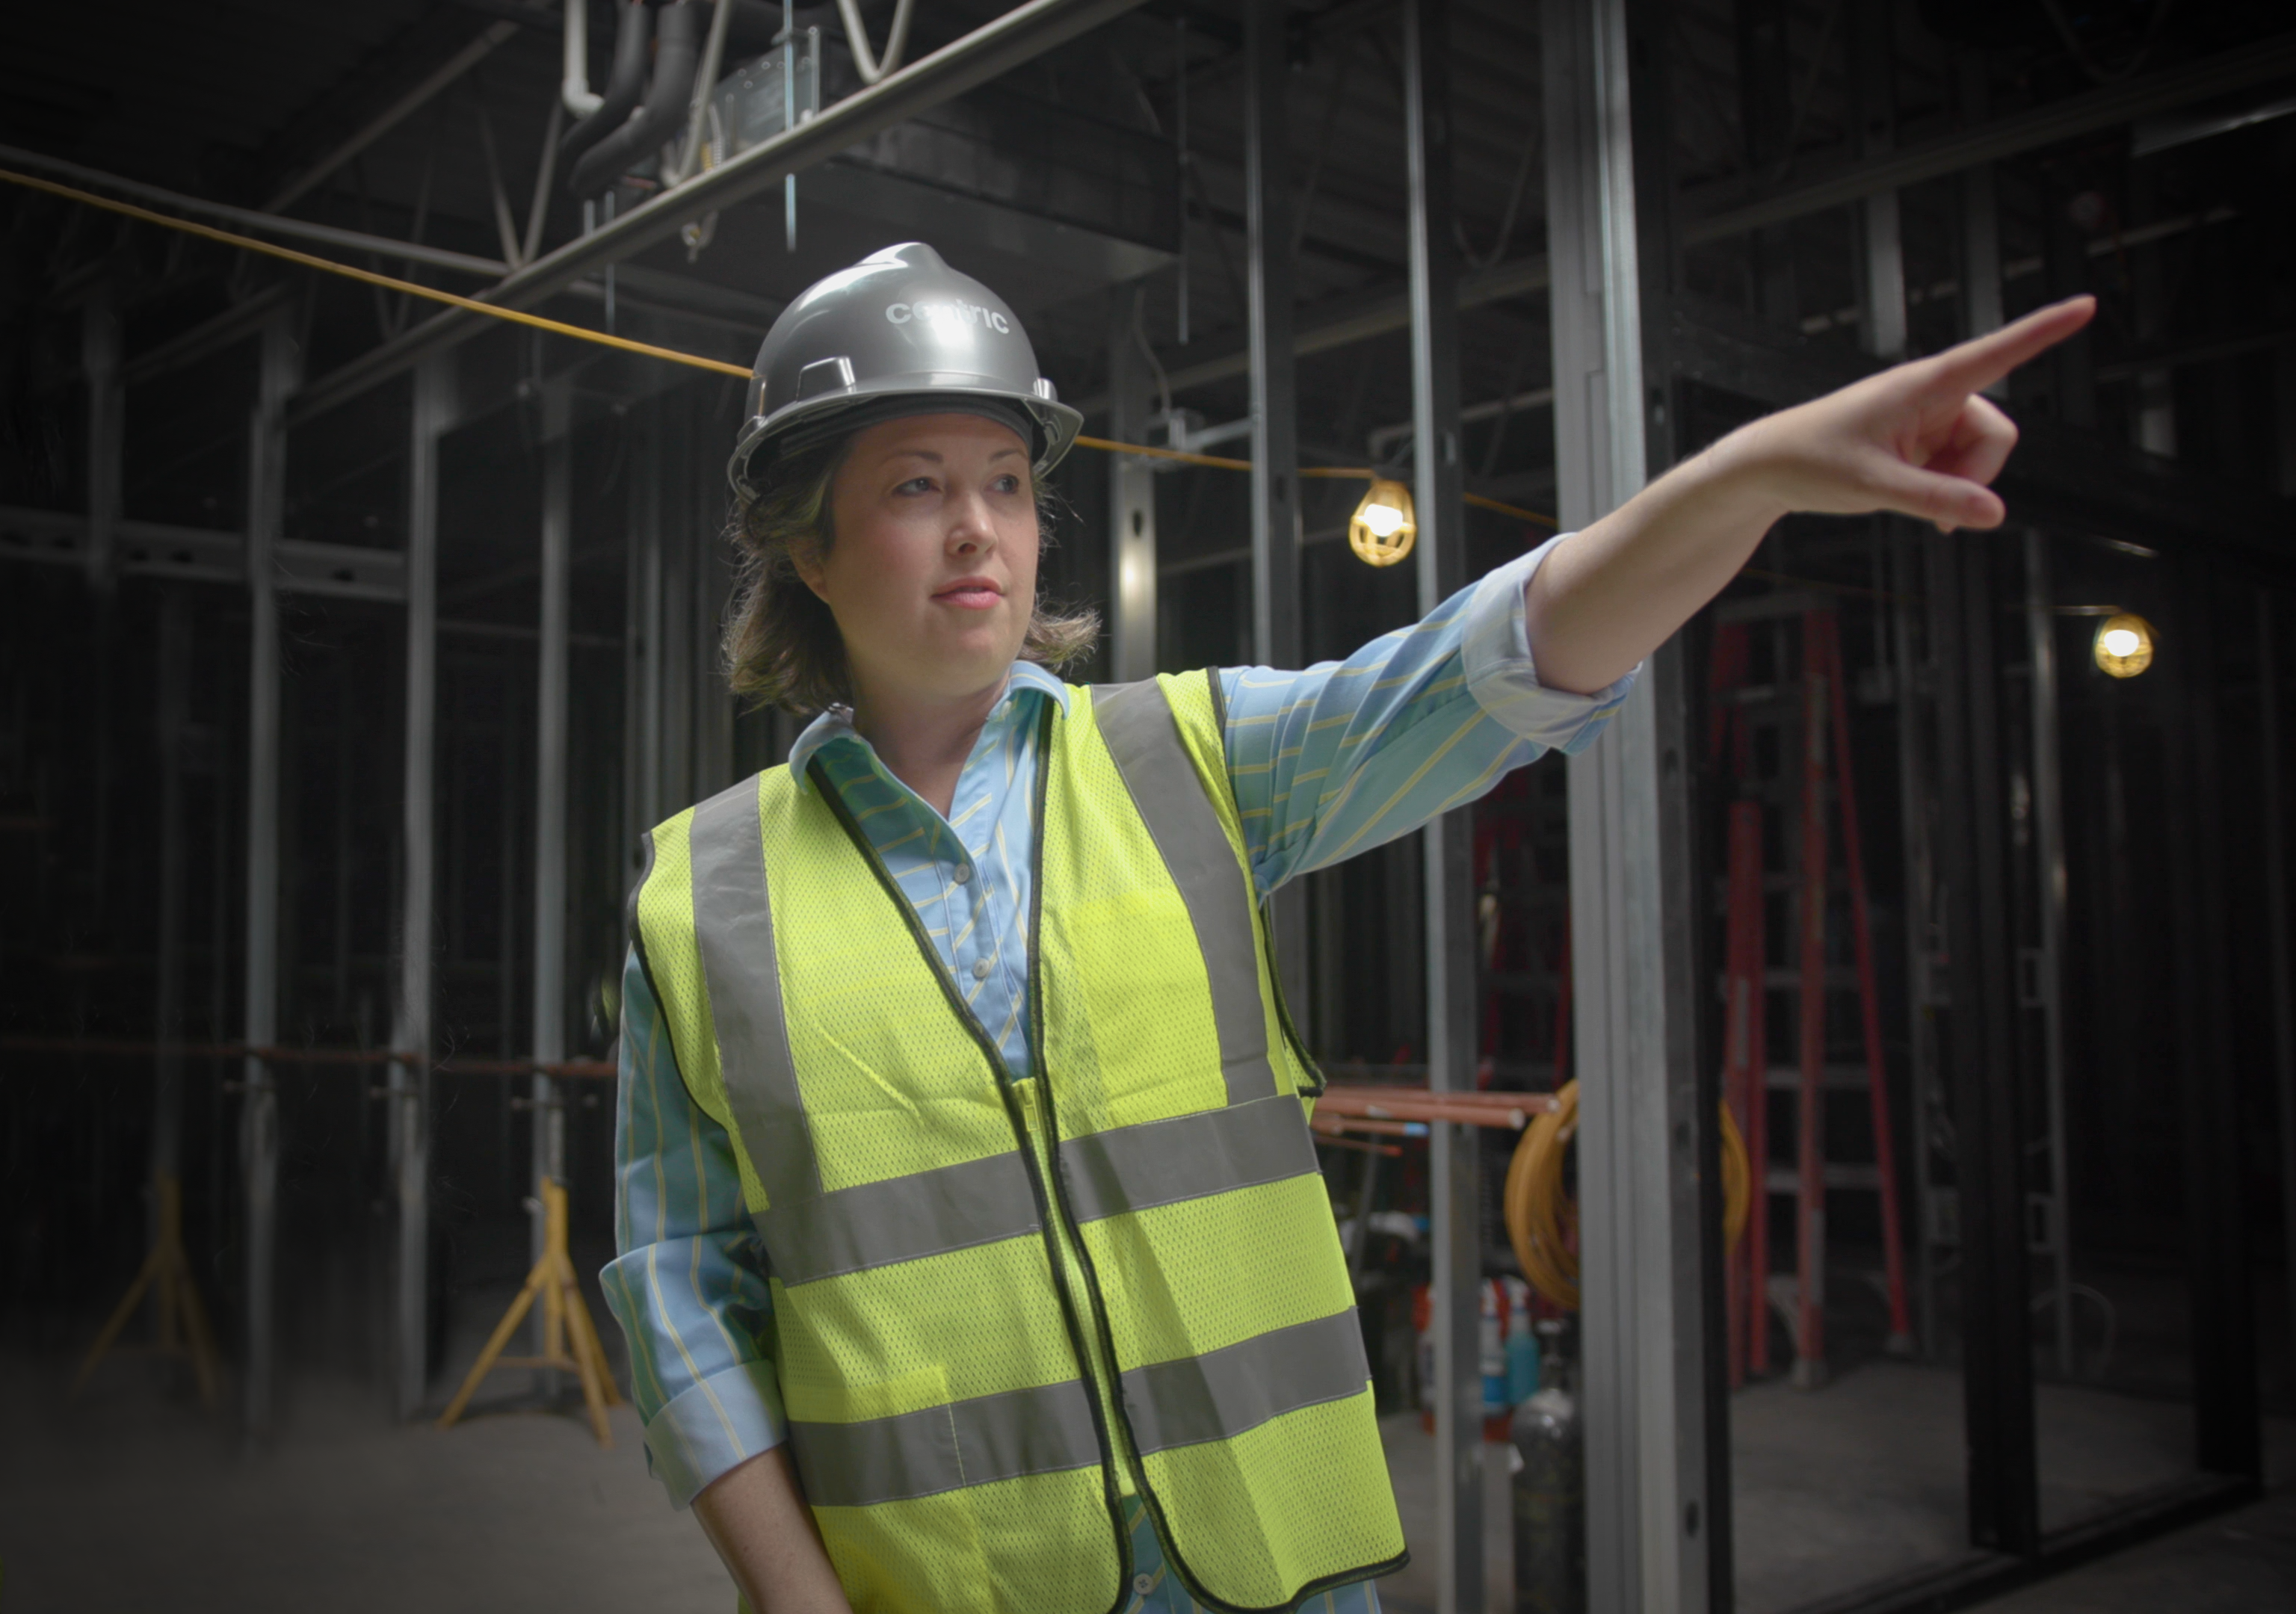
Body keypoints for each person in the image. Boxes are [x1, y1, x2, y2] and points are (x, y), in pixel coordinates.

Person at [602, 241, 2091, 1614]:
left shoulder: (1182, 764)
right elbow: (683, 1295)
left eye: (1005, 480)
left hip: (1278, 1574)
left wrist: (1745, 481)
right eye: (917, 487)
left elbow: (1488, 669)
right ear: (808, 545)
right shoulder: (707, 896)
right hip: (950, 1587)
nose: (980, 531)